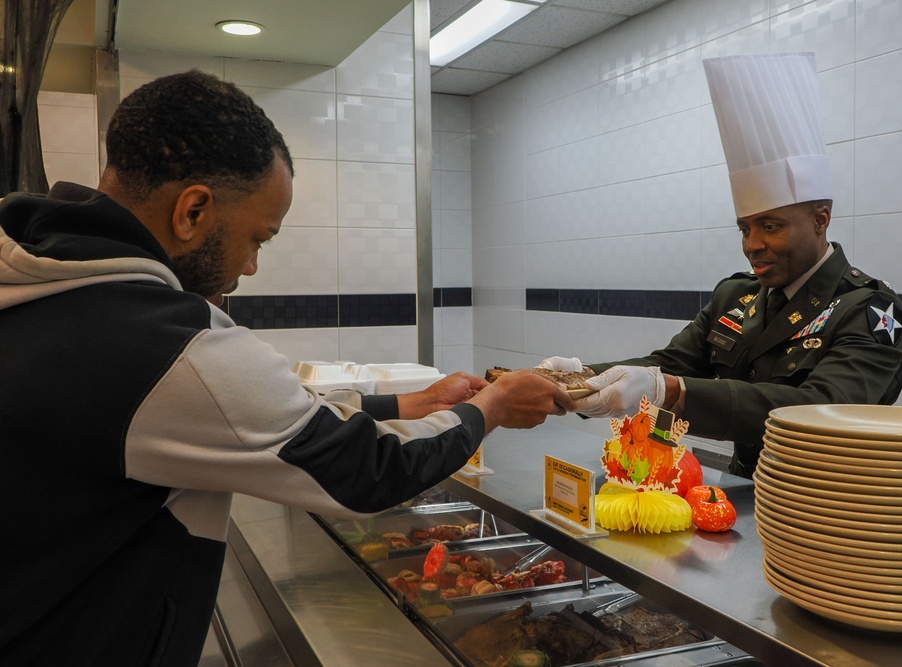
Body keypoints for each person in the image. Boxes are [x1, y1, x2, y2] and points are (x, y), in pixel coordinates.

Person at [0, 69, 569, 666]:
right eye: (258, 239)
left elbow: (240, 411)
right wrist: (492, 408)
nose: (249, 268)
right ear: (193, 210)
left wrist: (407, 405)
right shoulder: (157, 343)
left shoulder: (41, 281)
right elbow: (371, 470)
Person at [541, 53, 902, 479]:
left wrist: (671, 391)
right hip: (747, 492)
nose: (752, 246)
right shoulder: (736, 297)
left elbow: (816, 410)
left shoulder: (869, 312)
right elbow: (667, 364)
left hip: (830, 504)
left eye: (770, 226)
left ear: (820, 219)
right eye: (745, 228)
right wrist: (576, 379)